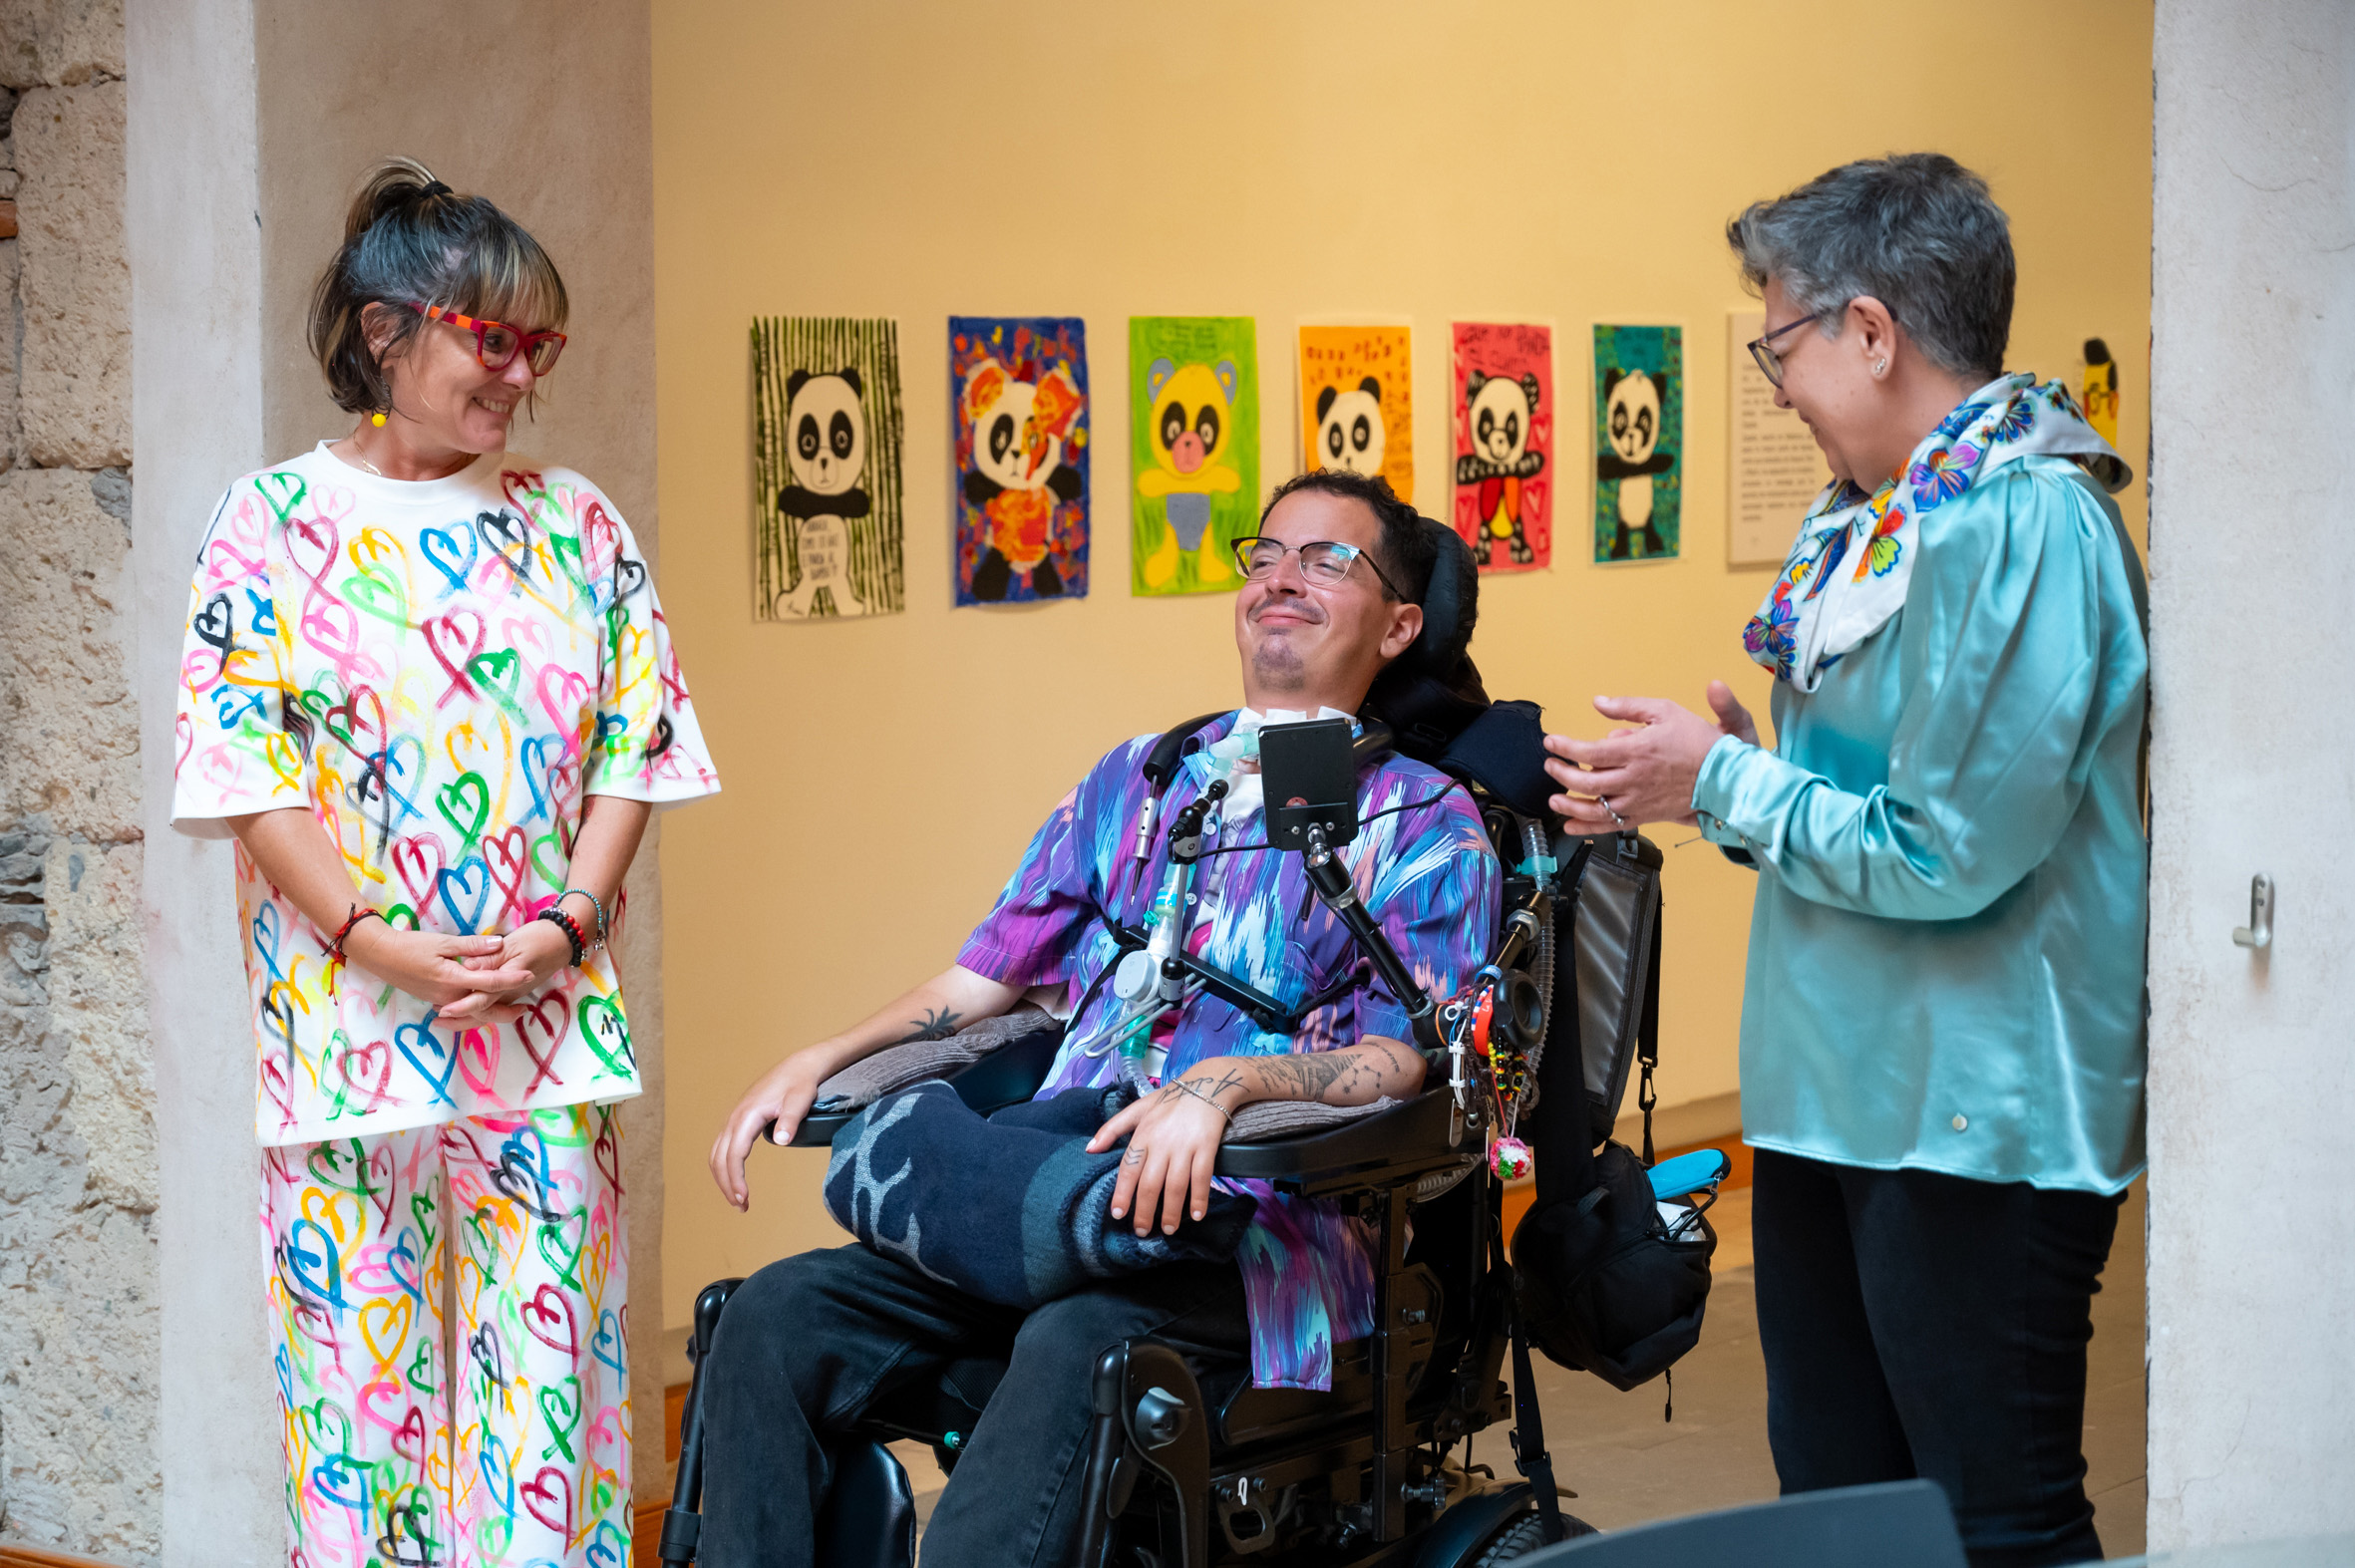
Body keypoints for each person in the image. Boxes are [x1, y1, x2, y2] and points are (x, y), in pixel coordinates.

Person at [700, 469, 1501, 1567]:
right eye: (1265, 553)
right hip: (1059, 1189)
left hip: (1264, 1241)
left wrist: (1226, 1086)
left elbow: (1402, 1059)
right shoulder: (1139, 777)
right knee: (773, 1314)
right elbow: (984, 981)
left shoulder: (1428, 820)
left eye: (1328, 560)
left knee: (1078, 1342)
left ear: (1401, 623)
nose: (1282, 576)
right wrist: (824, 1056)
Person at [1541, 155, 2146, 1568]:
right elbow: (1887, 807)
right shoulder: (1879, 512)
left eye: (1777, 342)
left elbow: (1948, 852)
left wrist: (1730, 783)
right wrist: (1739, 785)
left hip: (1973, 1120)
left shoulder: (2022, 520)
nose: (1770, 384)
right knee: (1839, 1510)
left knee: (1991, 1518)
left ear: (1871, 333)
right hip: (1836, 1097)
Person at [168, 159, 719, 1568]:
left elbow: (633, 749)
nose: (520, 375)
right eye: (492, 338)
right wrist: (372, 941)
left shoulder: (577, 523)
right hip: (346, 1038)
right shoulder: (267, 525)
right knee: (359, 1417)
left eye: (539, 343)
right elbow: (245, 773)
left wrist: (568, 923)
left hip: (545, 1032)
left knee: (553, 1422)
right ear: (381, 331)